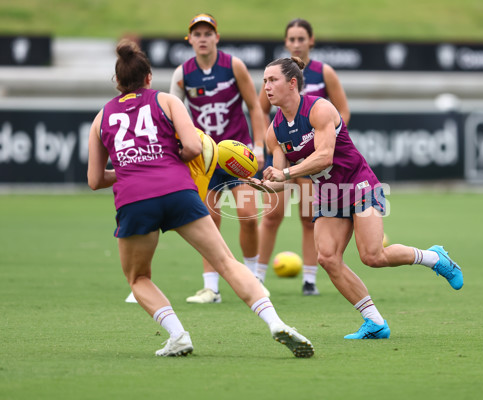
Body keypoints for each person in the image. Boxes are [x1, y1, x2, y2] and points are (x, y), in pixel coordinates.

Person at [87, 39, 314, 357]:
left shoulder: (101, 118)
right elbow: (194, 147)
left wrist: (130, 167)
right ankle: (275, 322)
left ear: (117, 82)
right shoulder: (166, 101)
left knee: (138, 278)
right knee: (226, 261)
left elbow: (95, 180)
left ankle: (178, 335)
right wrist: (163, 161)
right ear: (148, 78)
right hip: (178, 191)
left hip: (134, 200)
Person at [251, 57, 463, 339]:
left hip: (358, 182)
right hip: (327, 193)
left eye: (272, 80)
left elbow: (324, 156)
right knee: (327, 258)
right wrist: (261, 184)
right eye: (264, 80)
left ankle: (434, 258)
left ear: (292, 83)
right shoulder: (274, 132)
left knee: (373, 256)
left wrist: (286, 173)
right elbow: (279, 180)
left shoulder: (319, 109)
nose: (266, 86)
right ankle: (375, 322)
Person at [169, 13, 268, 304]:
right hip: (204, 157)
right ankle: (211, 288)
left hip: (236, 155)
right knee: (207, 222)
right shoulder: (182, 73)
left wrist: (259, 146)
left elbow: (254, 105)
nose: (202, 38)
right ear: (190, 39)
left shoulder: (233, 65)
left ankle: (253, 280)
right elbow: (172, 115)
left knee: (248, 215)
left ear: (216, 37)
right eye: (197, 33)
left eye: (207, 33)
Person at [256, 18, 350, 296]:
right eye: (292, 39)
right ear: (286, 42)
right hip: (284, 152)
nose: (296, 43)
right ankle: (257, 277)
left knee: (309, 217)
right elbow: (261, 109)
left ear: (311, 41)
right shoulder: (275, 75)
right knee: (272, 215)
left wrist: (329, 142)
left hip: (314, 158)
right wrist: (266, 142)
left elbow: (342, 111)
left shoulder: (325, 72)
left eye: (301, 38)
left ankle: (309, 279)